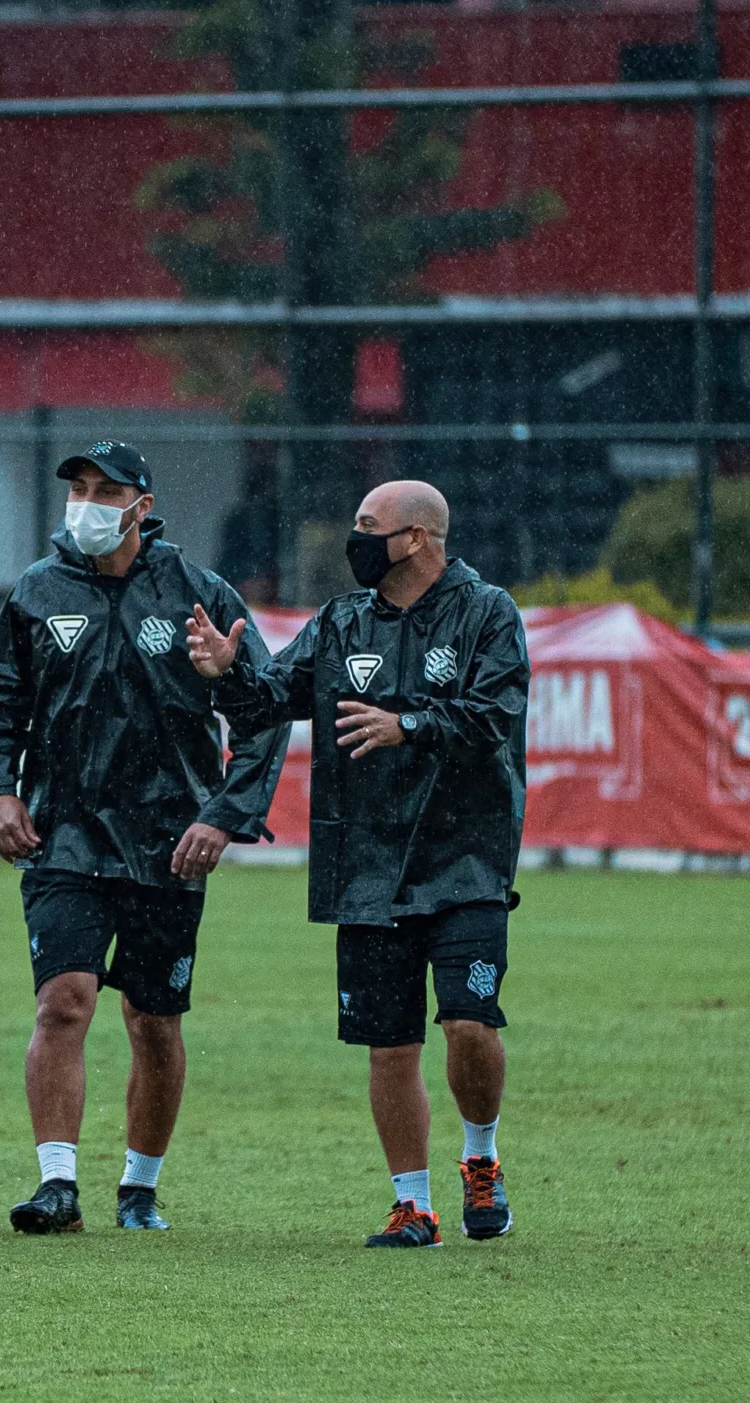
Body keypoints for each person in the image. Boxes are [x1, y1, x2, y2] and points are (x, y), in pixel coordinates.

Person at [182, 479, 528, 1247]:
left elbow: (494, 715)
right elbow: (271, 700)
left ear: (419, 540)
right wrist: (228, 672)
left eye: (370, 526)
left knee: (470, 1025)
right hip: (366, 860)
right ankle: (413, 1205)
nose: (356, 539)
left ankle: (481, 1157)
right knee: (389, 1042)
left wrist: (408, 724)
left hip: (465, 857)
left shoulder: (487, 613)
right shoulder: (342, 621)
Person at [0, 440, 289, 1236]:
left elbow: (264, 712)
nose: (86, 502)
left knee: (153, 1020)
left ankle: (139, 1187)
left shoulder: (195, 593)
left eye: (105, 490)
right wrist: (1, 793)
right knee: (63, 1004)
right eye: (77, 487)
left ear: (142, 506)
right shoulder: (38, 594)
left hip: (167, 841)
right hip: (63, 836)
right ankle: (56, 1185)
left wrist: (223, 814)